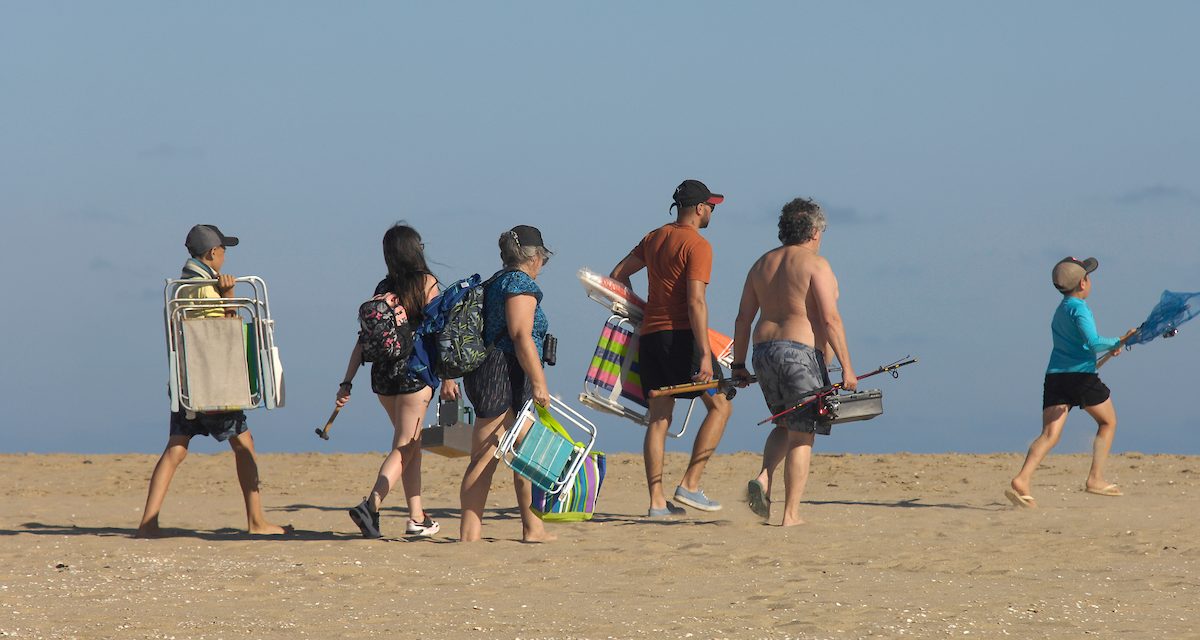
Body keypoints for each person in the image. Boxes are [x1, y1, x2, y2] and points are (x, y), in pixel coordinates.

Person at [136, 225, 290, 538]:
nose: (225, 256)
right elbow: (225, 332)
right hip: (214, 382)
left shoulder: (182, 287)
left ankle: (148, 522)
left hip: (187, 381)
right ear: (212, 254)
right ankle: (256, 521)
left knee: (176, 448)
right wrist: (229, 294)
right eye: (223, 250)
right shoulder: (206, 288)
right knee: (244, 443)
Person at [730, 198, 857, 526]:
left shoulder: (761, 265)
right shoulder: (817, 265)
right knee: (804, 433)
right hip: (799, 354)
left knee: (784, 422)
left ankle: (763, 477)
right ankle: (791, 515)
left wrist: (739, 365)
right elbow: (830, 319)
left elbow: (743, 318)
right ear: (814, 231)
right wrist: (847, 366)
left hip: (763, 353)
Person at [610, 179, 733, 517]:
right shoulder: (698, 245)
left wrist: (639, 309)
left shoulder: (654, 237)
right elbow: (695, 302)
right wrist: (705, 354)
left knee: (659, 419)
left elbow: (618, 274)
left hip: (650, 337)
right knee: (721, 406)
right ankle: (690, 485)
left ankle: (656, 503)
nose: (712, 211)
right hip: (682, 337)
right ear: (698, 208)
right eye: (710, 206)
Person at [336, 223, 458, 538]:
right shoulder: (426, 283)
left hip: (383, 377)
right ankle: (371, 504)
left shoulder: (382, 288)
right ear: (415, 249)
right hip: (415, 373)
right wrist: (448, 377)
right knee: (406, 445)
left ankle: (416, 518)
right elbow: (441, 333)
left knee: (409, 446)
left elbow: (363, 340)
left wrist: (347, 382)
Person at [1006, 257, 1133, 508]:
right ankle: (1095, 479)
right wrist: (1118, 340)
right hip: (1080, 377)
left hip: (1055, 377)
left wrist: (1112, 345)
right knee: (1108, 422)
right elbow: (1094, 343)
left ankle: (1022, 479)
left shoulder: (1061, 310)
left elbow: (1082, 344)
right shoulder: (1080, 309)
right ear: (1083, 283)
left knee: (1049, 434)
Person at [459, 225, 555, 542]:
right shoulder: (519, 283)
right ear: (535, 257)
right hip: (502, 371)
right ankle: (469, 534)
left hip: (500, 371)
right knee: (486, 455)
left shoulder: (497, 281)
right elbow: (519, 335)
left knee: (525, 453)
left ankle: (533, 527)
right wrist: (540, 383)